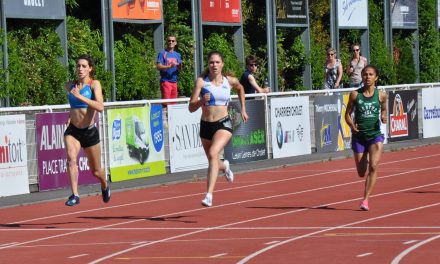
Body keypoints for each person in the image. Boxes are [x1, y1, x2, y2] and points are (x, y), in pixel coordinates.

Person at [189, 51, 249, 207]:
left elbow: (241, 89)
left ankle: (208, 195)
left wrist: (243, 109)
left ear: (222, 64)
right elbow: (191, 107)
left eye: (217, 62)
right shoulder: (201, 82)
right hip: (206, 125)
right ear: (208, 65)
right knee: (213, 160)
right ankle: (225, 166)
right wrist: (202, 101)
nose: (214, 65)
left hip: (223, 123)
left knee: (213, 153)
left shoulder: (229, 81)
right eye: (211, 62)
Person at [64, 54, 110, 206]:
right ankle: (75, 194)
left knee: (96, 171)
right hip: (73, 131)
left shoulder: (94, 84)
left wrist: (80, 97)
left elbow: (100, 107)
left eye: (84, 66)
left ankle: (104, 184)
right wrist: (71, 118)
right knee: (71, 158)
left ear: (90, 68)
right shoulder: (70, 85)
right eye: (78, 66)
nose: (80, 69)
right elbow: (74, 108)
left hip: (89, 132)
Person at [344, 64, 387, 211]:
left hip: (375, 136)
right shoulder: (355, 94)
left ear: (376, 77)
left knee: (374, 167)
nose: (367, 77)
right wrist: (352, 126)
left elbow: (384, 109)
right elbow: (347, 115)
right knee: (361, 172)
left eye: (370, 74)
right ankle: (366, 157)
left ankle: (365, 200)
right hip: (359, 137)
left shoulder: (381, 95)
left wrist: (383, 115)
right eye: (365, 74)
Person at [156, 35, 182, 106]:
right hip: (165, 81)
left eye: (173, 41)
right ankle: (165, 117)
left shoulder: (177, 54)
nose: (171, 42)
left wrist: (180, 66)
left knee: (174, 105)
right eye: (169, 41)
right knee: (166, 104)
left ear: (175, 43)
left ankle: (173, 117)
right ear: (166, 42)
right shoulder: (162, 53)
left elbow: (179, 68)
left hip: (174, 82)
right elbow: (158, 66)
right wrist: (169, 66)